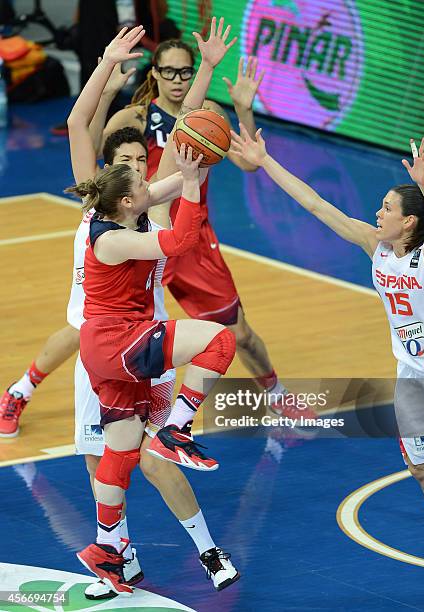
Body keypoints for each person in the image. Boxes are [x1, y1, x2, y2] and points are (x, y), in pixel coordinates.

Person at [231, 126, 424, 606]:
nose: (378, 213)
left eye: (388, 208)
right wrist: (265, 160)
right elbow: (315, 204)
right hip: (413, 381)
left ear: (411, 223)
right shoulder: (375, 246)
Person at [66, 25, 239, 598]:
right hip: (117, 341)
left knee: (118, 454)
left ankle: (110, 551)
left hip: (118, 344)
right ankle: (178, 430)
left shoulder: (136, 204)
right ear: (116, 186)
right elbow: (179, 242)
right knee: (218, 341)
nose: (145, 172)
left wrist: (195, 163)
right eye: (135, 167)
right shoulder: (111, 228)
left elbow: (189, 141)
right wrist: (107, 68)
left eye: (147, 164)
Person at [96, 31, 293, 412]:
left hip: (193, 239)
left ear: (192, 74)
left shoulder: (210, 115)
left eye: (184, 72)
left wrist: (244, 110)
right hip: (142, 239)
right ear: (154, 74)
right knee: (96, 328)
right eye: (167, 71)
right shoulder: (134, 117)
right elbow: (94, 160)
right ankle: (25, 389)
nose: (176, 79)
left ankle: (277, 395)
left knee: (240, 335)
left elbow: (250, 162)